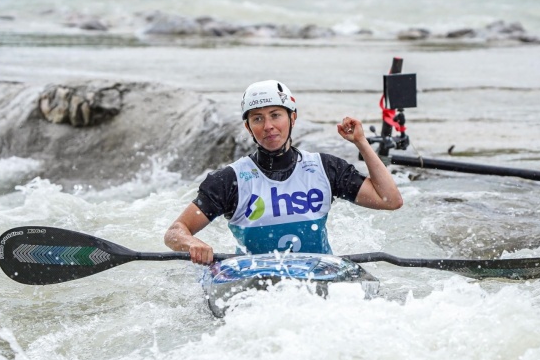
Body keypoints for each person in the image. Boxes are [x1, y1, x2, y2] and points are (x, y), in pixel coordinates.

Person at [164, 80, 403, 264]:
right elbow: (175, 232)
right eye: (258, 119)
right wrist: (192, 243)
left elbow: (390, 200)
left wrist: (361, 143)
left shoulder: (325, 169)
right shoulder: (230, 180)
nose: (268, 126)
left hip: (317, 275)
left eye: (276, 115)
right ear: (248, 127)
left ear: (293, 118)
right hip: (254, 281)